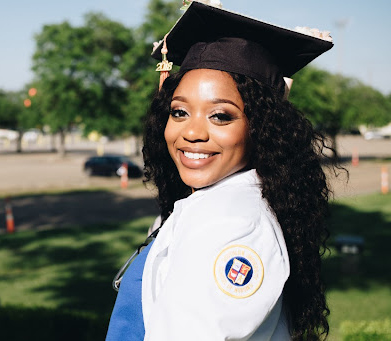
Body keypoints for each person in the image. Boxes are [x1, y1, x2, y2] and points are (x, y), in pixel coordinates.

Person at [107, 1, 335, 340]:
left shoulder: (234, 224)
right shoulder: (207, 202)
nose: (193, 132)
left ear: (262, 128)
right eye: (180, 112)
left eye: (220, 116)